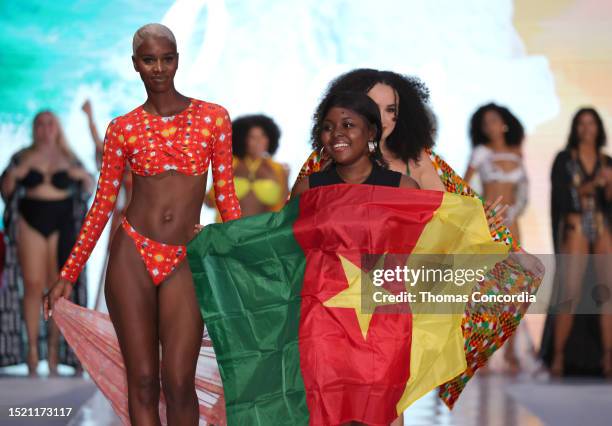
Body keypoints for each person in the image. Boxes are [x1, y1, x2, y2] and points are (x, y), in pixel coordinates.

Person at [294, 69, 543, 408]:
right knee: (338, 396)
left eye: (393, 109)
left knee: (388, 395)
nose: (386, 117)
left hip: (392, 290)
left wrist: (479, 223)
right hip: (334, 295)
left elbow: (449, 216)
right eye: (375, 106)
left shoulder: (418, 160)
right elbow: (291, 227)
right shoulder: (325, 159)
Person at [44, 23, 240, 425]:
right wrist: (69, 272)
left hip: (186, 254)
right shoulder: (122, 127)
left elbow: (227, 199)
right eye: (149, 60)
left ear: (177, 61)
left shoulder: (214, 118)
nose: (159, 68)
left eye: (166, 59)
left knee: (179, 380)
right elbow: (101, 205)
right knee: (145, 380)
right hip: (132, 252)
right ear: (136, 64)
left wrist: (242, 257)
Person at [291, 91, 417, 426]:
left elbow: (426, 252)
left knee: (381, 413)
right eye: (329, 127)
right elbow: (282, 249)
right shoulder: (308, 190)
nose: (338, 134)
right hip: (323, 320)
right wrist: (219, 242)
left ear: (372, 133)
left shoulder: (403, 189)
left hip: (382, 321)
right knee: (326, 411)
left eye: (349, 125)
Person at [0, 111, 93, 375]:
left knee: (57, 288)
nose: (45, 128)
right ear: (34, 129)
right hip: (31, 218)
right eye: (40, 124)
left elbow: (89, 188)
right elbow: (6, 190)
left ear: (58, 128)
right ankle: (31, 351)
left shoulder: (70, 157)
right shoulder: (22, 156)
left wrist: (79, 174)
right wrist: (16, 173)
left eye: (50, 123)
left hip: (62, 220)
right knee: (32, 285)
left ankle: (53, 351)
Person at [541, 107, 612, 377]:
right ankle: (557, 357)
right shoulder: (564, 159)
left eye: (591, 123)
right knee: (569, 294)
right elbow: (563, 196)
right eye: (581, 123)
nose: (586, 129)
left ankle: (607, 358)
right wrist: (593, 184)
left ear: (598, 128)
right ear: (575, 128)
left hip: (602, 226)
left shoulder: (607, 160)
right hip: (576, 226)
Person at [464, 103, 528, 373]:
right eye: (485, 123)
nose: (490, 126)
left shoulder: (517, 152)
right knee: (489, 288)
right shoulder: (480, 153)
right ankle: (484, 351)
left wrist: (516, 210)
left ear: (504, 123)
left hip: (512, 223)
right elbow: (464, 187)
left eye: (494, 121)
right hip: (490, 225)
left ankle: (511, 350)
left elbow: (523, 191)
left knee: (519, 288)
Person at [206, 114, 288, 218]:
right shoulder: (228, 165)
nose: (259, 141)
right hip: (228, 231)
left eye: (263, 136)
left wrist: (286, 177)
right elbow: (210, 202)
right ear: (242, 139)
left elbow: (285, 208)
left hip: (265, 232)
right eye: (252, 137)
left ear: (270, 138)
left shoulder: (279, 170)